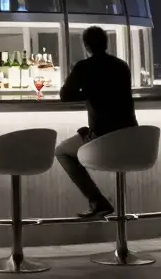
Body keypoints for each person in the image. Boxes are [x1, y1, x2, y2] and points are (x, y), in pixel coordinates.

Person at [54, 27, 137, 218]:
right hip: (133, 138)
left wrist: (88, 92)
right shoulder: (121, 65)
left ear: (86, 46)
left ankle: (98, 202)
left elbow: (65, 95)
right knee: (84, 136)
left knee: (61, 152)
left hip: (105, 139)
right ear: (106, 43)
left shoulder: (84, 67)